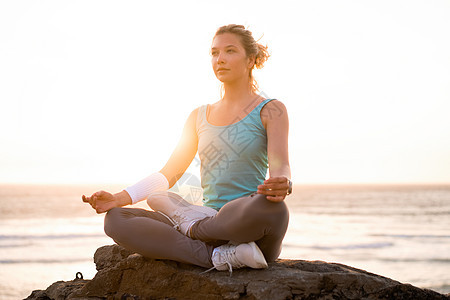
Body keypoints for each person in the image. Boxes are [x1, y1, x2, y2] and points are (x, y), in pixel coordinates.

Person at [82, 24, 292, 274]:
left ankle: (193, 227)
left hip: (248, 223)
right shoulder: (199, 116)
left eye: (230, 51)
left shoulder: (270, 109)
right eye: (214, 53)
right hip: (209, 219)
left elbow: (281, 164)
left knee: (272, 209)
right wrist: (118, 198)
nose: (220, 59)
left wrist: (283, 183)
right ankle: (216, 256)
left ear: (251, 59)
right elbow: (170, 172)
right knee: (116, 219)